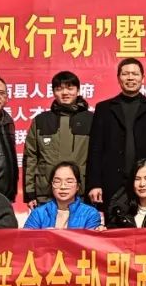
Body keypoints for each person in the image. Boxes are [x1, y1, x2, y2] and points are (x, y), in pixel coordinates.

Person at [86, 58, 146, 208]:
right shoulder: (104, 108)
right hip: (112, 182)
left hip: (145, 182)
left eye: (135, 74)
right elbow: (95, 149)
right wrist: (94, 184)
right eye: (125, 74)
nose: (130, 78)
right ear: (118, 78)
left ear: (143, 78)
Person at [23, 71, 94, 207]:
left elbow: (98, 158)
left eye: (70, 88)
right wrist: (29, 193)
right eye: (59, 89)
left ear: (78, 90)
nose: (65, 92)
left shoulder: (91, 120)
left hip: (82, 194)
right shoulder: (41, 121)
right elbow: (30, 158)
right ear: (53, 92)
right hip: (45, 195)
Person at [24, 162, 102, 230]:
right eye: (57, 181)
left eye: (69, 182)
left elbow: (90, 240)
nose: (63, 187)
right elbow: (26, 238)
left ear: (78, 186)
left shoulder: (90, 214)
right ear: (51, 185)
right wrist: (44, 235)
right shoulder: (38, 213)